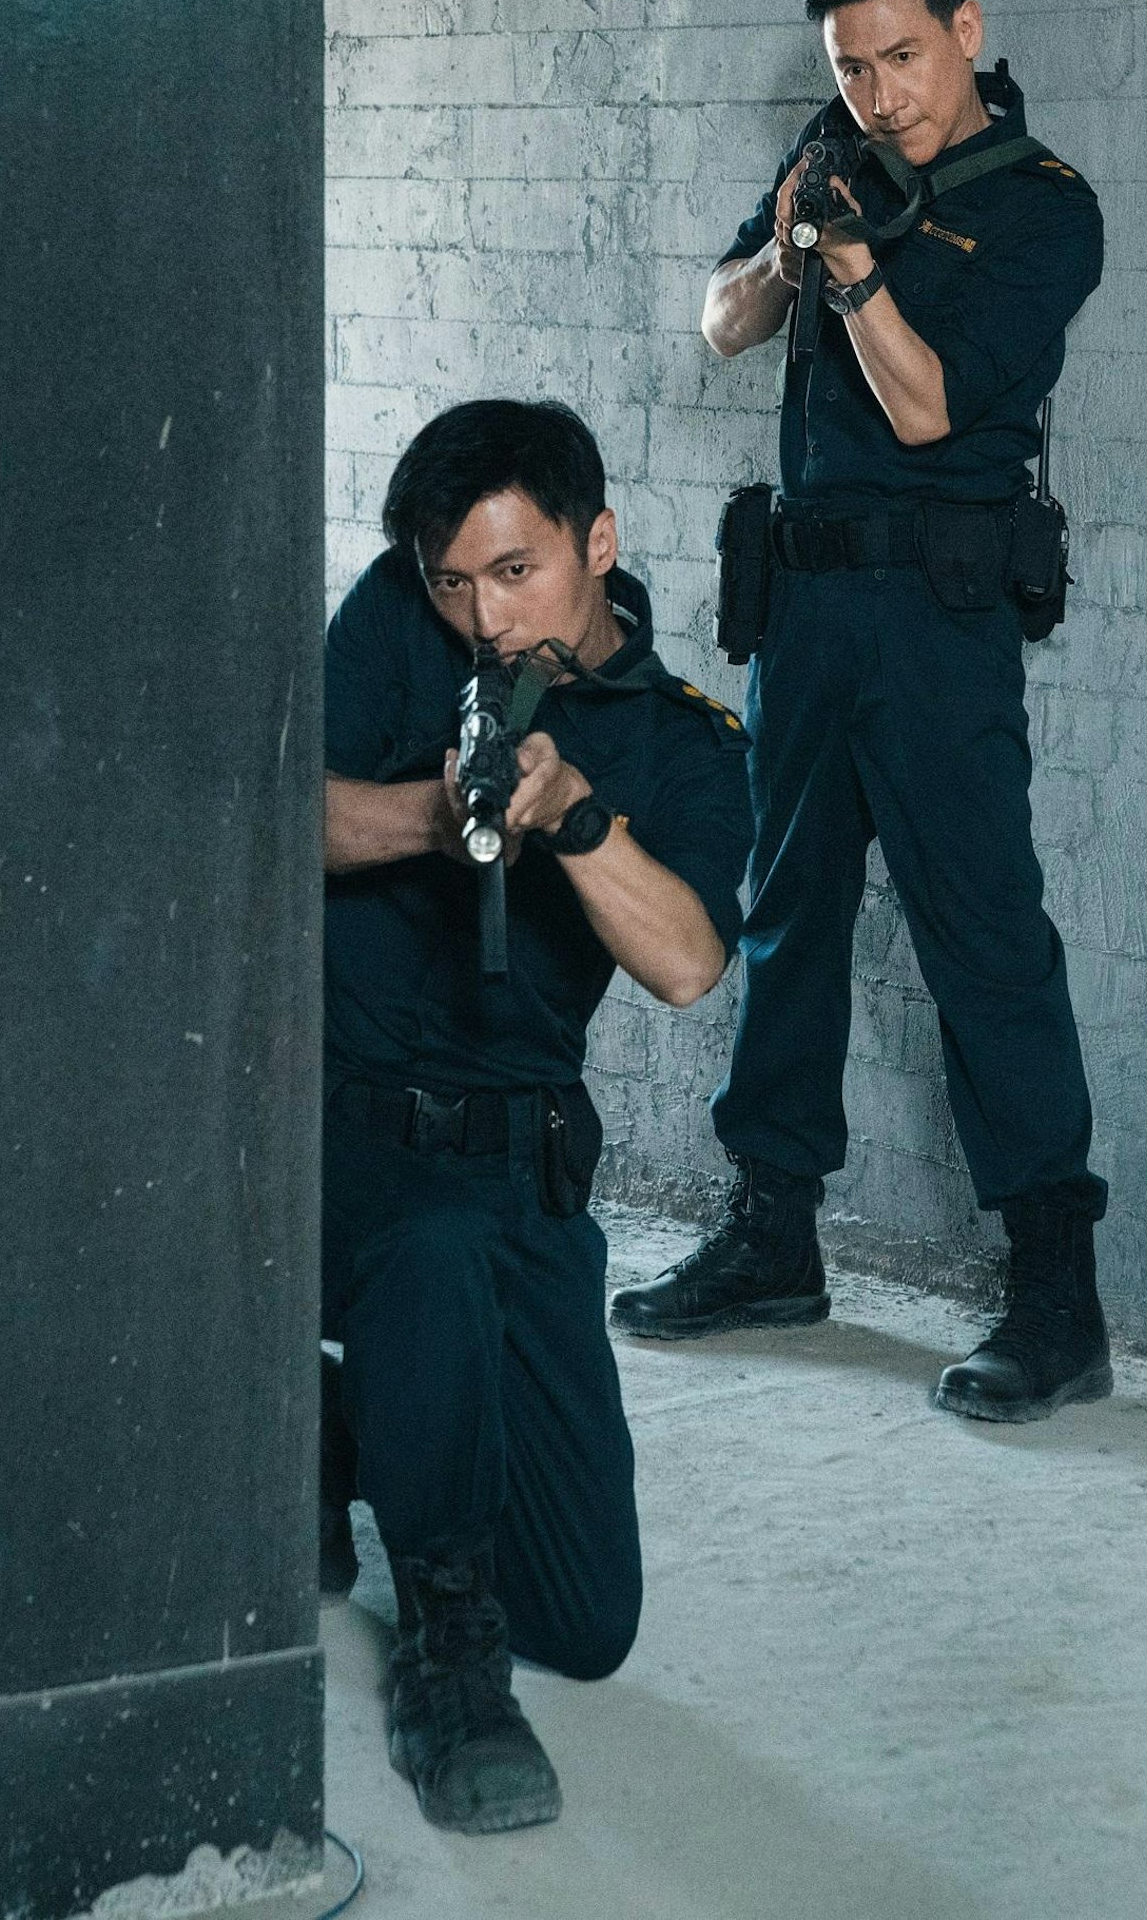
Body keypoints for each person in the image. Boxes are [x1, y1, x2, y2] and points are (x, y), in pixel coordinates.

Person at [610, 0, 1111, 1424]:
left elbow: (927, 408)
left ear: (966, 30)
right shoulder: (826, 157)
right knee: (786, 919)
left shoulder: (1044, 210)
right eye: (852, 67)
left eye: (902, 56)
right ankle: (774, 1234)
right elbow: (719, 324)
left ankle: (1057, 1295)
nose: (881, 94)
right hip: (808, 611)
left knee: (983, 940)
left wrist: (852, 270)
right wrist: (787, 243)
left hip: (939, 623)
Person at [319, 398, 753, 1833]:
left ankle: (344, 1427)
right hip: (342, 1144)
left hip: (520, 1168)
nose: (484, 615)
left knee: (586, 1619)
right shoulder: (398, 620)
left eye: (516, 572)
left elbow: (687, 962)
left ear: (598, 542)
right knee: (429, 1254)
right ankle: (447, 1663)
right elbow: (274, 809)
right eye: (455, 580)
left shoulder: (685, 742)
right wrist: (433, 814)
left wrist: (571, 816)